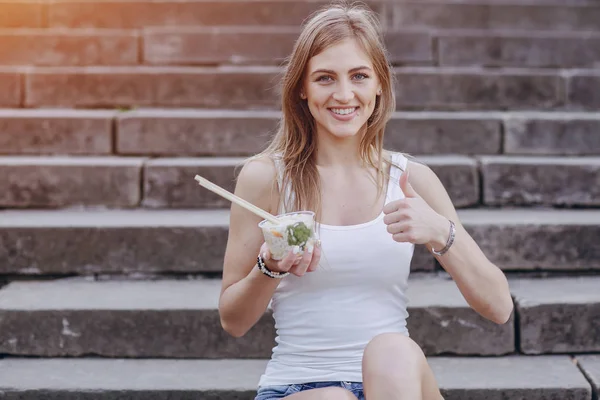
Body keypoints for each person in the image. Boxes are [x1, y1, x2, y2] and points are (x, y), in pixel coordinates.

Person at [218, 2, 514, 399]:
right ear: (302, 88)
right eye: (325, 78)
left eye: (359, 76)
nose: (344, 94)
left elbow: (499, 307)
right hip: (297, 385)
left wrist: (441, 233)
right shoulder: (266, 178)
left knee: (392, 349)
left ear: (380, 84)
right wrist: (269, 267)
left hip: (396, 385)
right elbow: (232, 321)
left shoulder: (412, 180)